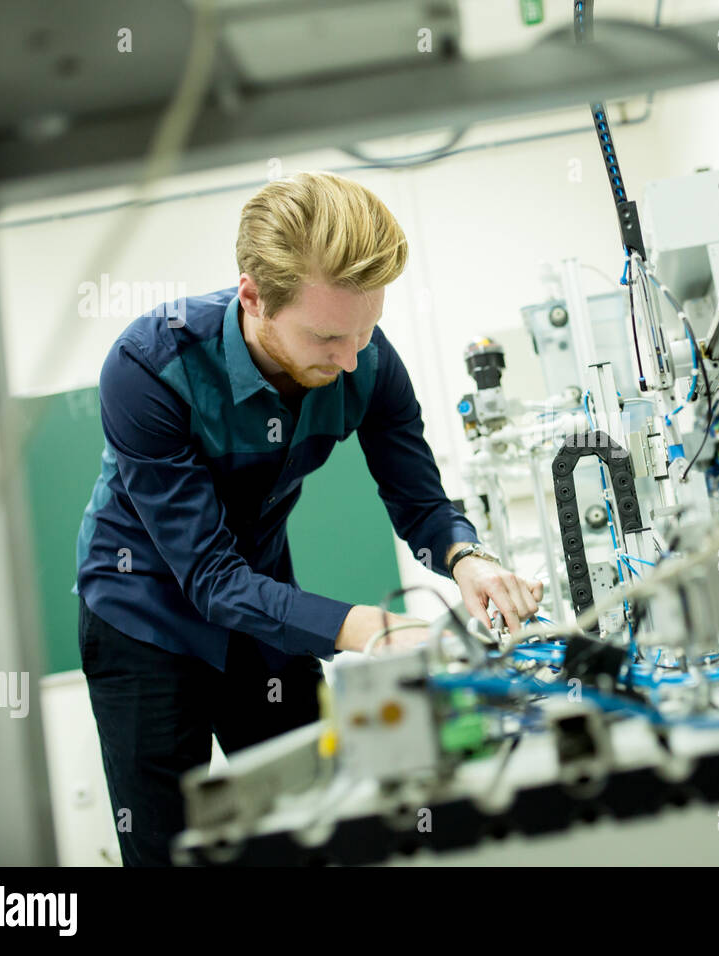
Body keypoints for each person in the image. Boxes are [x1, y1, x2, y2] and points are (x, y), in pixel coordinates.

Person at [73, 170, 542, 865]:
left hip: (265, 610)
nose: (352, 359)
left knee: (324, 821)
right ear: (254, 296)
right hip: (144, 615)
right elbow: (206, 575)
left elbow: (419, 503)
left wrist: (466, 557)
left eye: (366, 331)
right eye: (327, 337)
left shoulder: (367, 361)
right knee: (170, 850)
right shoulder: (150, 367)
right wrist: (370, 630)